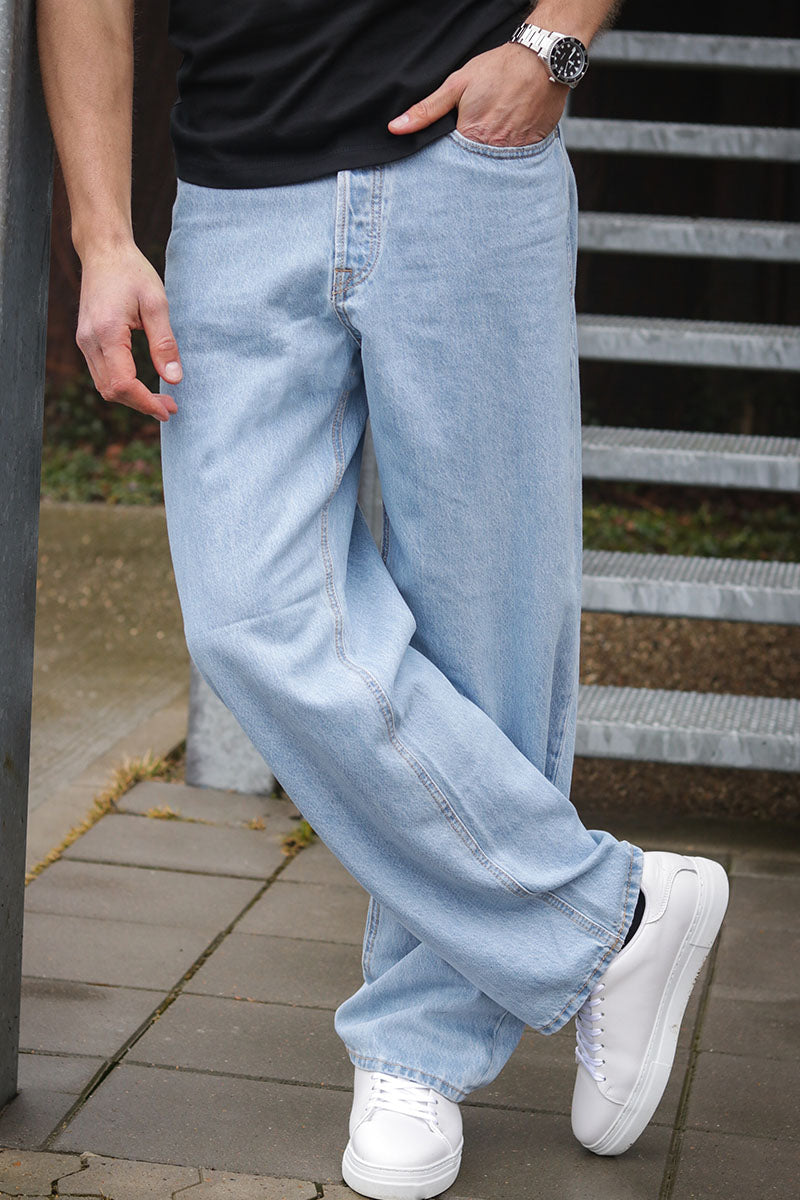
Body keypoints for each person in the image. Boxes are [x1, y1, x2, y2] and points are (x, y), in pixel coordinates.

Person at [37, 2, 729, 1197]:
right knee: (251, 620)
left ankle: (418, 1051)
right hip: (235, 191)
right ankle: (605, 919)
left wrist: (549, 48)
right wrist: (102, 231)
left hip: (468, 161)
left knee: (484, 630)